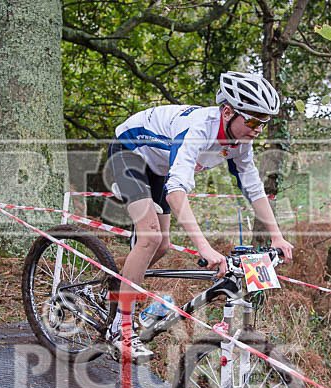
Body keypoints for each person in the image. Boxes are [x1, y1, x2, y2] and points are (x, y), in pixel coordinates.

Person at [105, 71, 294, 362]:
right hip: (130, 152)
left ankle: (120, 288)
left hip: (158, 165)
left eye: (264, 122)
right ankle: (120, 328)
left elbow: (253, 187)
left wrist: (277, 235)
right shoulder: (199, 128)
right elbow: (176, 190)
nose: (258, 129)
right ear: (228, 111)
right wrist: (203, 246)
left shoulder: (241, 141)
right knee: (150, 236)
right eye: (254, 120)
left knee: (162, 245)